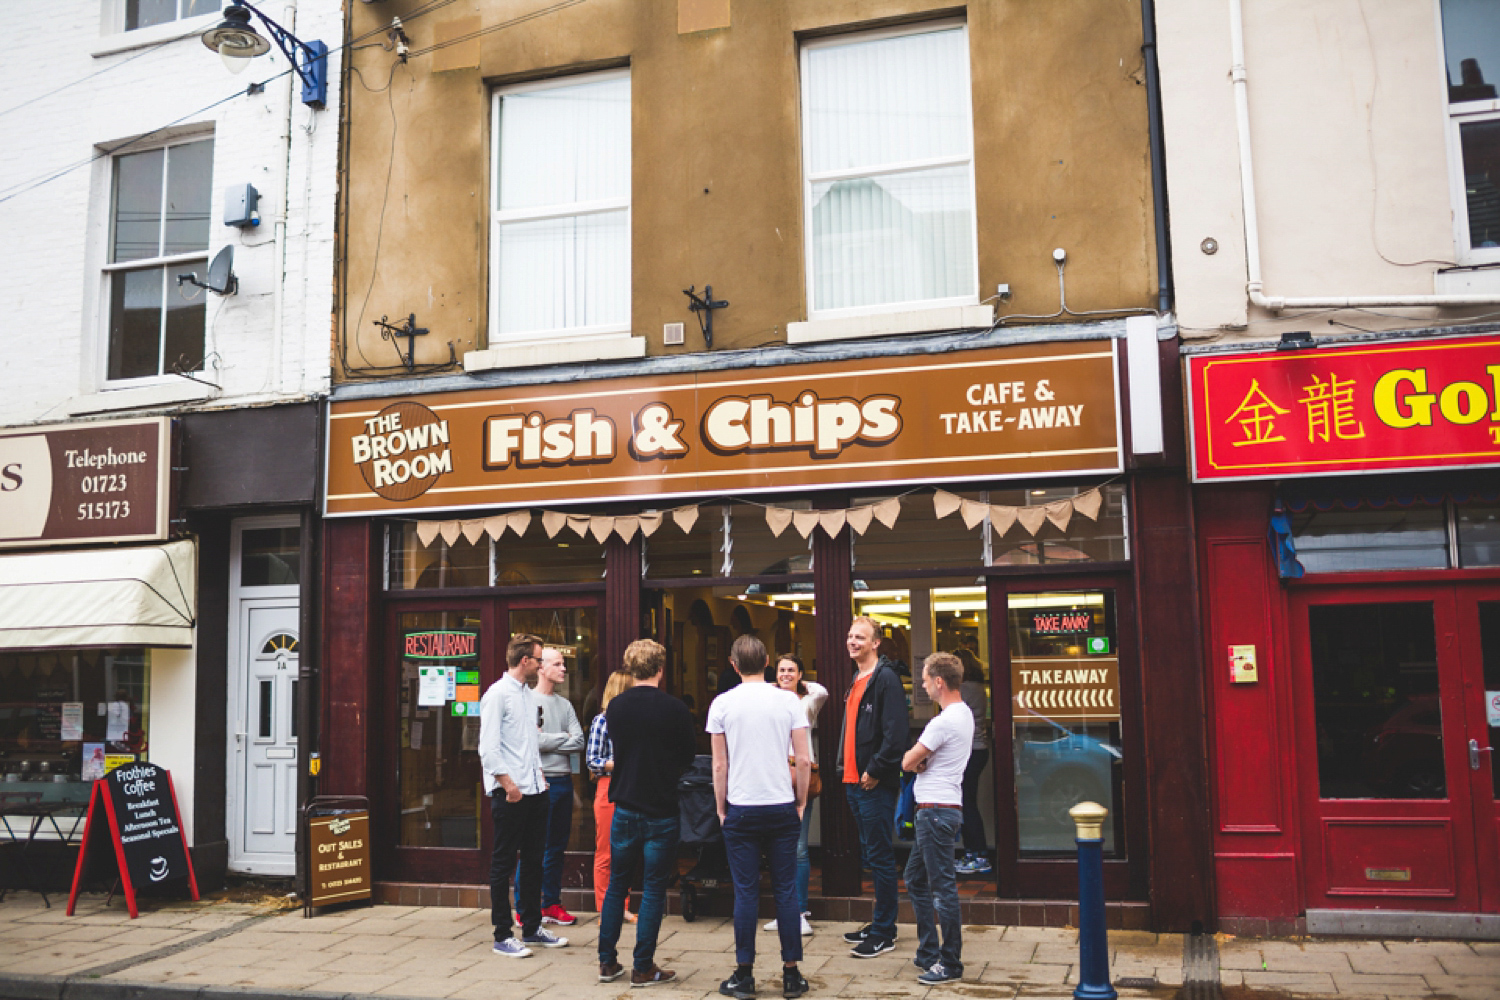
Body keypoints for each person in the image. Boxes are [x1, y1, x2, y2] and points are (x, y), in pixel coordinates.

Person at [708, 635, 812, 1000]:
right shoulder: (788, 701)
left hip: (741, 806)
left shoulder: (722, 703)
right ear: (768, 661)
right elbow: (802, 759)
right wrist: (799, 802)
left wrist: (721, 807)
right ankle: (791, 973)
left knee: (745, 891)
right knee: (786, 891)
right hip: (781, 803)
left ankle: (744, 973)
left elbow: (719, 763)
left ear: (733, 664)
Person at [597, 639, 697, 988]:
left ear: (630, 667)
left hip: (624, 804)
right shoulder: (675, 709)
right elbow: (688, 755)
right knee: (653, 889)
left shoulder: (616, 707)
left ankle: (607, 962)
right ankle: (643, 967)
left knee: (616, 886)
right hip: (661, 806)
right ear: (660, 669)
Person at [479, 633, 569, 958]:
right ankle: (502, 934)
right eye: (539, 658)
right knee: (502, 864)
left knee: (533, 861)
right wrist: (509, 785)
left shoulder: (529, 697)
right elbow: (487, 749)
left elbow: (530, 745)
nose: (542, 664)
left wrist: (540, 779)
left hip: (535, 791)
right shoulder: (497, 695)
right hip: (511, 794)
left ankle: (530, 928)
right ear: (525, 661)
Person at [901, 652, 974, 985]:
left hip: (934, 812)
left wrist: (917, 760)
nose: (923, 684)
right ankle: (929, 952)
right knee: (915, 878)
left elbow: (907, 761)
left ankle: (950, 961)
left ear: (939, 682)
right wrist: (921, 761)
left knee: (943, 888)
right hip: (941, 809)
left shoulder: (943, 721)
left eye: (926, 678)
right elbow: (922, 760)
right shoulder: (964, 714)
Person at [838, 616, 908, 958]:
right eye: (851, 636)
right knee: (872, 854)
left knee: (880, 858)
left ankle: (884, 932)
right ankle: (880, 921)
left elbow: (896, 735)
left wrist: (875, 770)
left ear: (875, 642)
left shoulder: (886, 679)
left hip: (872, 784)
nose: (853, 642)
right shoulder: (858, 678)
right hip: (854, 781)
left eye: (860, 637)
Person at [513, 646, 584, 926]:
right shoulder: (526, 701)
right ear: (541, 667)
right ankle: (523, 906)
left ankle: (550, 904)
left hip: (563, 782)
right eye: (557, 664)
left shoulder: (565, 705)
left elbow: (579, 741)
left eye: (563, 664)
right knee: (533, 847)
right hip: (538, 781)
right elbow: (529, 741)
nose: (563, 669)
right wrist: (560, 739)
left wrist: (546, 738)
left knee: (556, 847)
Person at [764, 654, 826, 936]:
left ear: (801, 674)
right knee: (779, 848)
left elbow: (821, 690)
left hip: (800, 777)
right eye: (781, 670)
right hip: (773, 779)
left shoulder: (807, 701)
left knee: (799, 848)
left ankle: (799, 912)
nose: (785, 674)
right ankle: (783, 911)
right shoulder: (768, 699)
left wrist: (794, 684)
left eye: (791, 670)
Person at [587, 670, 636, 923]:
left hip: (629, 786)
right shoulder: (602, 721)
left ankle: (622, 906)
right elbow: (593, 760)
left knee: (625, 850)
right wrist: (622, 763)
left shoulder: (635, 720)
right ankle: (606, 908)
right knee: (606, 850)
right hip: (608, 786)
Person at [954, 648, 992, 875]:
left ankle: (977, 854)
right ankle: (974, 852)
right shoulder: (979, 688)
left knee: (967, 804)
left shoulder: (963, 689)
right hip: (980, 749)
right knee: (968, 802)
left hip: (968, 752)